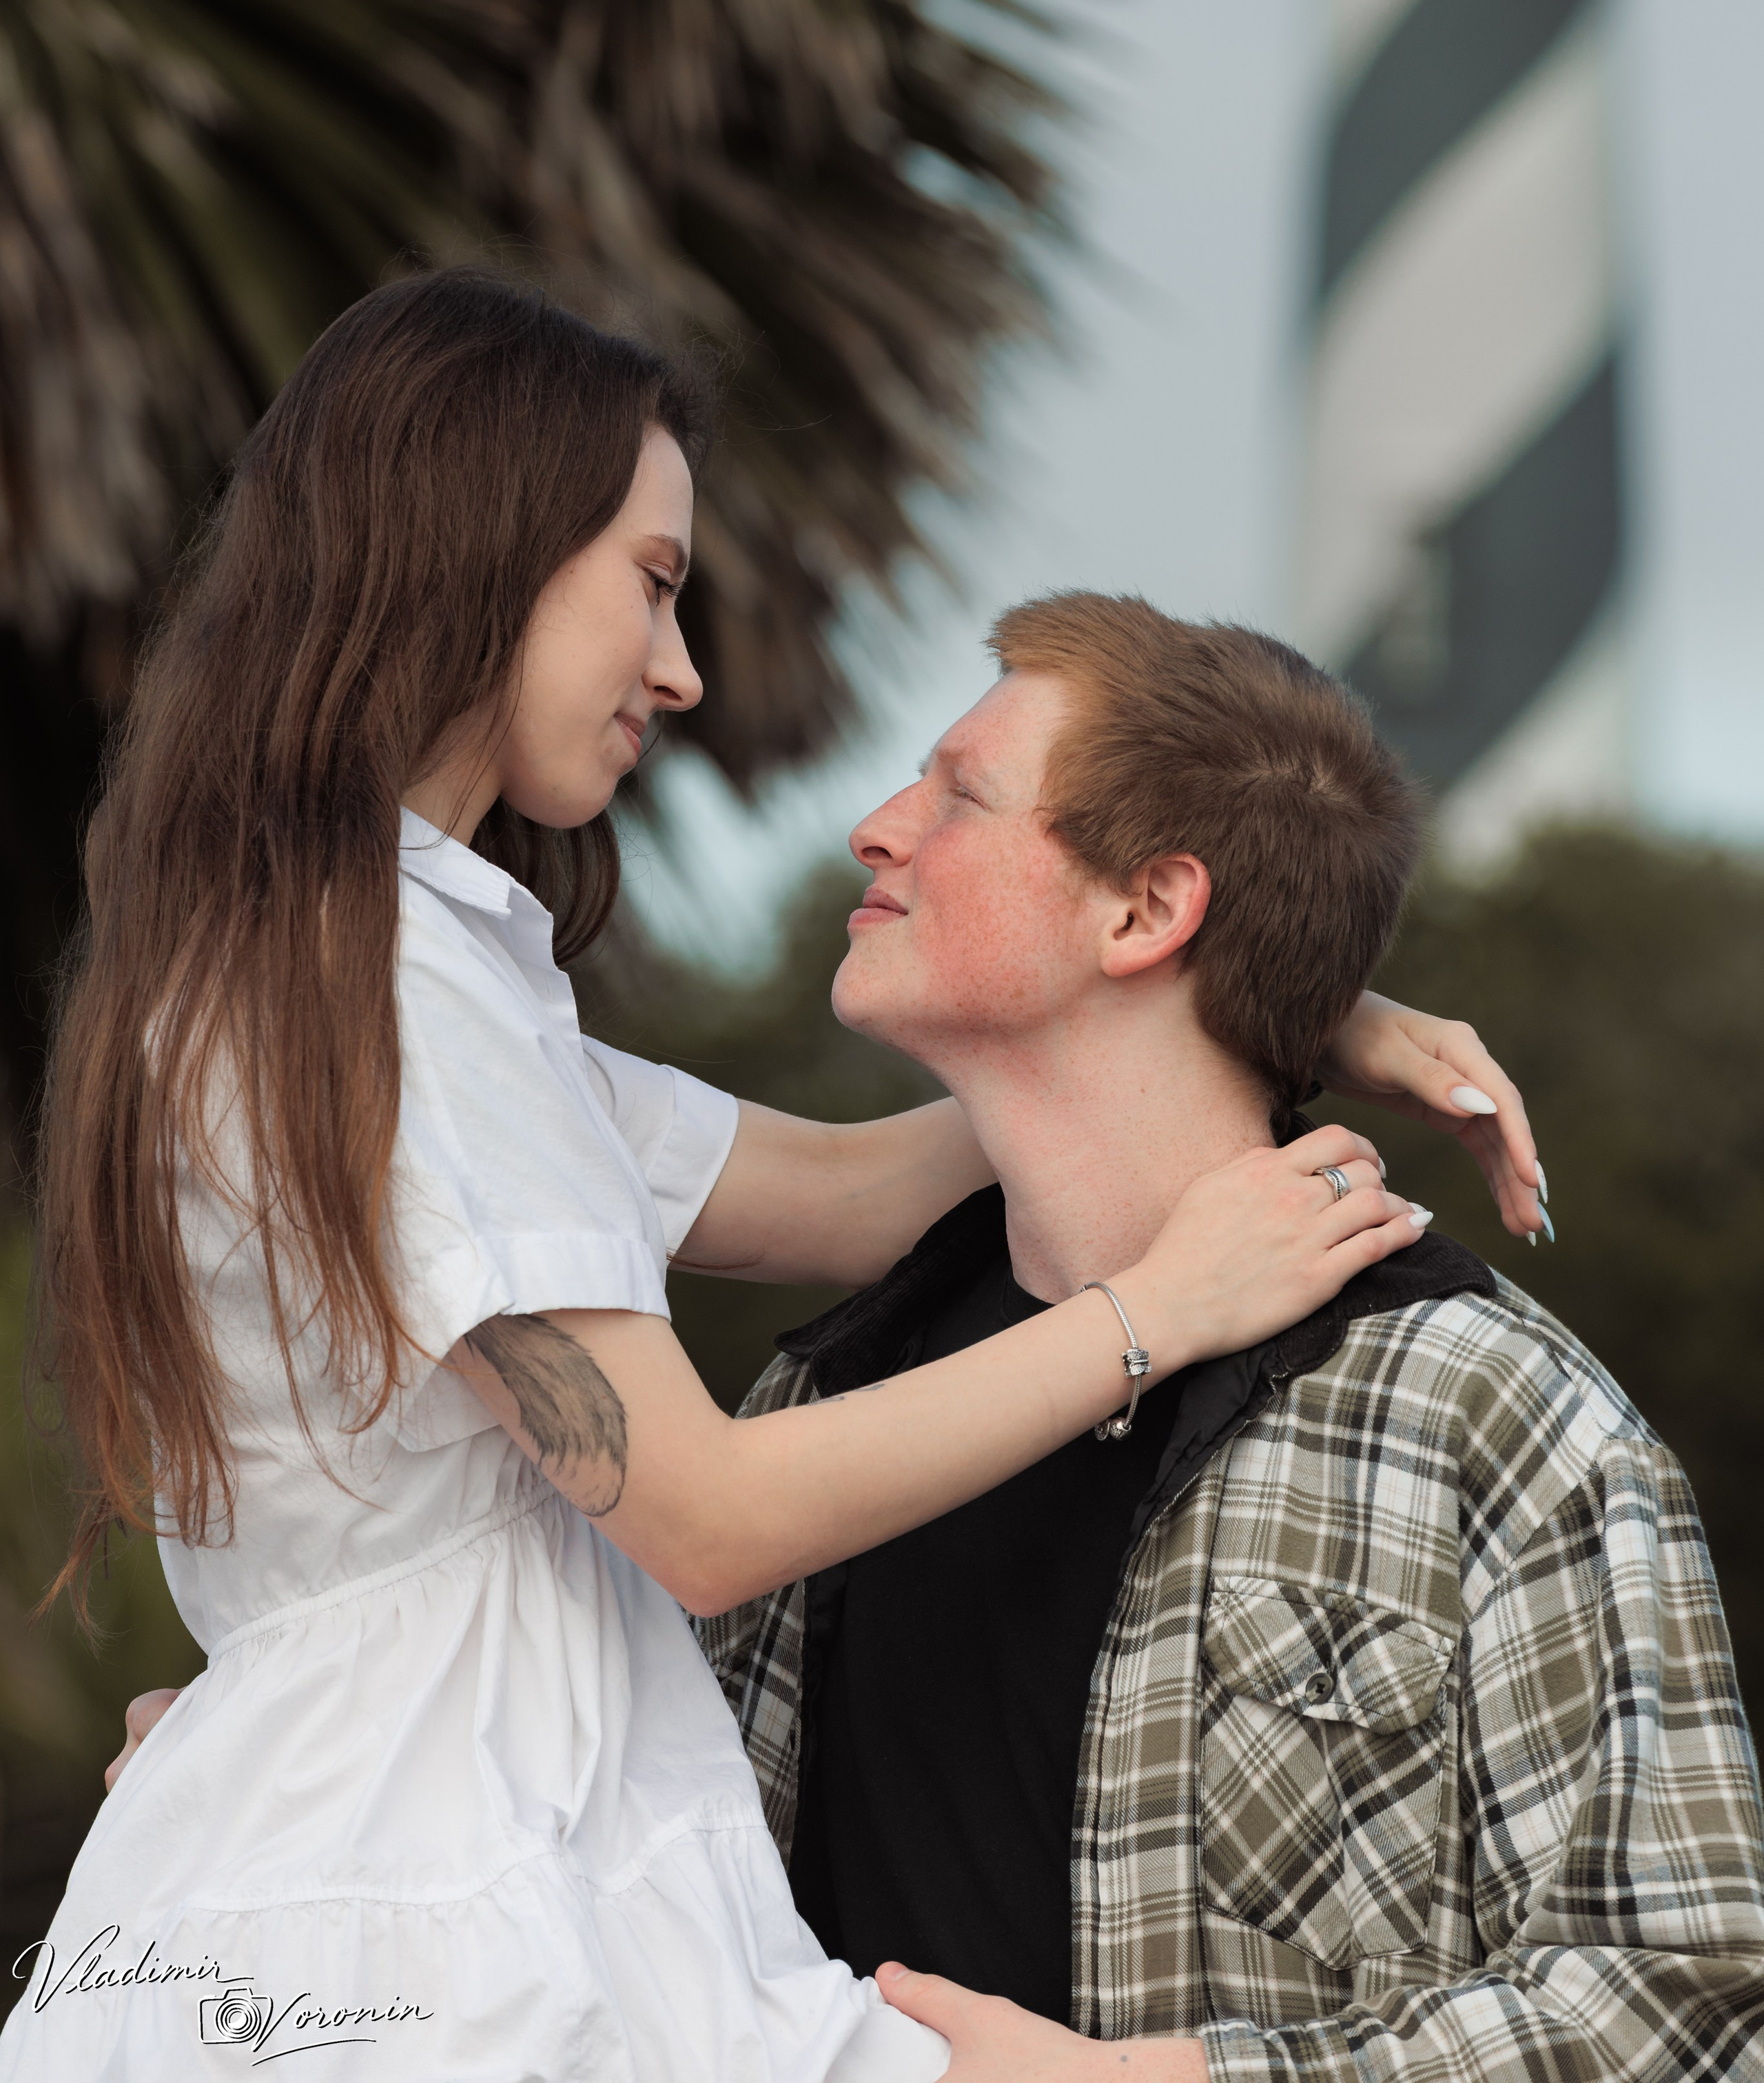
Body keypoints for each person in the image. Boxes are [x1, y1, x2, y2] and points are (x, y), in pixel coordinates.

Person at [4, 274, 1539, 2083]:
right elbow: (705, 1514)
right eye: (651, 580)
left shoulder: (343, 972)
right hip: (443, 1938)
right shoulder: (385, 991)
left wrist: (1242, 993)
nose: (679, 667)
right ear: (481, 547)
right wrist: (1161, 1308)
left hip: (372, 1888)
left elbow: (853, 1189)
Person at [695, 592, 1764, 2083]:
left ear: (1146, 912)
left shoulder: (1490, 1415)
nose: (877, 828)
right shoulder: (822, 1393)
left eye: (959, 794)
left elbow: (1682, 2007)